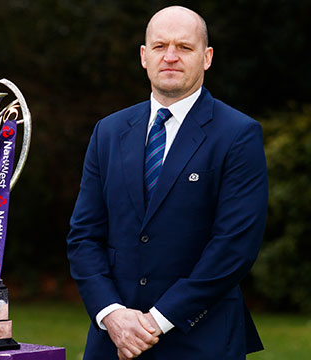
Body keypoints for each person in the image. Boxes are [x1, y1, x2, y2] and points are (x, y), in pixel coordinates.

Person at [67, 6, 268, 360]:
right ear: (144, 57)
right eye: (160, 46)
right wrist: (111, 314)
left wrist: (156, 322)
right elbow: (84, 237)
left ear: (206, 58)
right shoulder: (108, 132)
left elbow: (234, 247)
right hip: (112, 341)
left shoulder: (238, 135)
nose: (170, 56)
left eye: (184, 47)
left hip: (199, 340)